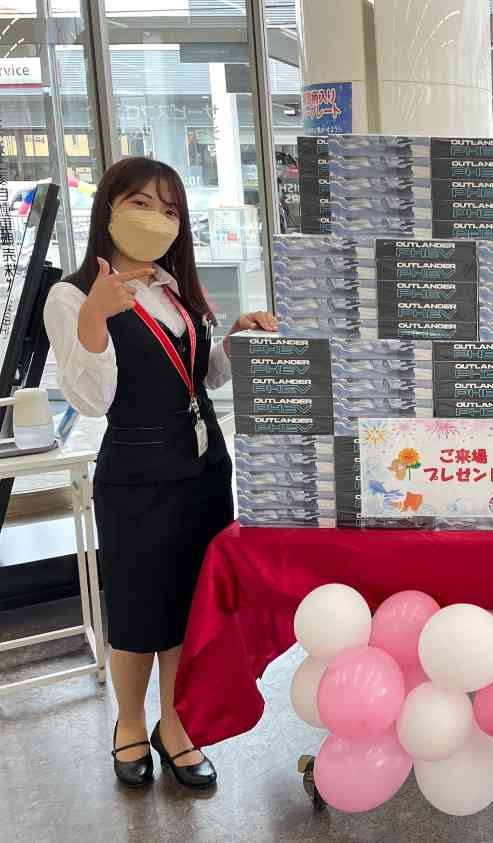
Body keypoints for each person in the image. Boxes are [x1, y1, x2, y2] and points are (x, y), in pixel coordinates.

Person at [44, 157, 277, 790]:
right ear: (109, 209)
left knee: (188, 608)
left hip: (203, 469)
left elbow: (203, 379)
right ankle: (128, 722)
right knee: (138, 608)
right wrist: (95, 317)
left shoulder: (174, 287)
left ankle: (175, 724)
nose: (157, 219)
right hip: (137, 474)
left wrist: (232, 340)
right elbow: (91, 399)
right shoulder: (72, 294)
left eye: (170, 209)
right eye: (141, 203)